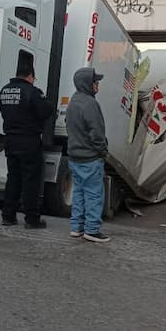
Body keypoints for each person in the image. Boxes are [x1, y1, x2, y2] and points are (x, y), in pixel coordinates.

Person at [0, 62, 56, 229]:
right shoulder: (32, 92)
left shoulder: (5, 90)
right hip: (29, 141)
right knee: (31, 180)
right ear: (30, 76)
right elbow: (46, 110)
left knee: (13, 178)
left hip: (10, 139)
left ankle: (8, 216)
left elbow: (1, 107)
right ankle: (31, 219)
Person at [65, 67, 111, 243]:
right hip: (90, 157)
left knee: (79, 193)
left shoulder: (73, 101)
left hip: (74, 156)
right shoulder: (90, 104)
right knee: (93, 194)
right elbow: (96, 133)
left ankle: (76, 227)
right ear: (87, 84)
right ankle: (92, 230)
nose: (97, 85)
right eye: (95, 82)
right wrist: (103, 151)